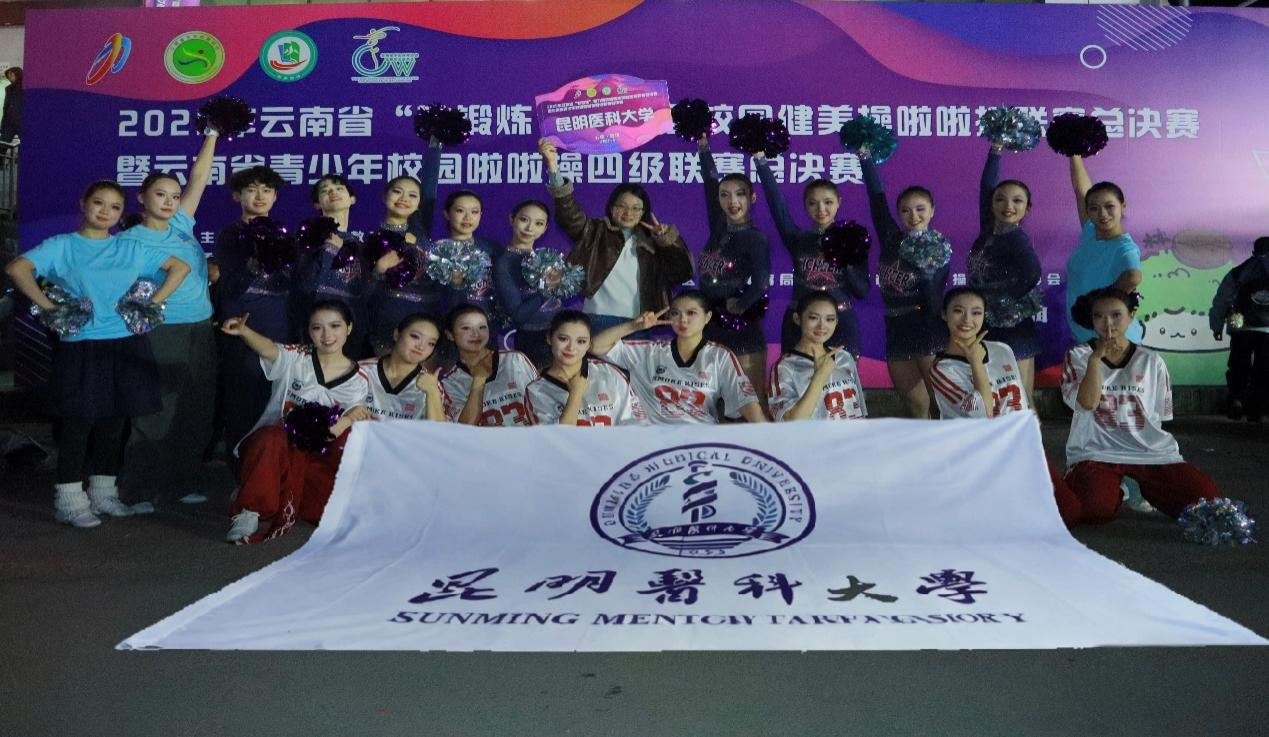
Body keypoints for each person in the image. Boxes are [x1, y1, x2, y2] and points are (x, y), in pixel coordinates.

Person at [5, 180, 192, 527]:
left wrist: (151, 303)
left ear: (122, 214)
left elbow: (180, 267)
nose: (106, 212)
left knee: (114, 422)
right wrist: (49, 307)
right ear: (84, 204)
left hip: (126, 343)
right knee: (78, 424)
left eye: (115, 207)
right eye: (99, 203)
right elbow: (17, 268)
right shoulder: (62, 245)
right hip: (82, 345)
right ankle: (69, 500)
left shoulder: (129, 246)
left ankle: (103, 494)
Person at [117, 131, 220, 506]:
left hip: (200, 327)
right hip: (162, 329)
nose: (170, 202)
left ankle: (183, 482)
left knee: (196, 408)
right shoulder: (131, 240)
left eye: (175, 196)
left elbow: (200, 177)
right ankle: (139, 488)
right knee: (157, 410)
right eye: (160, 195)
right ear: (142, 197)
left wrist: (213, 133)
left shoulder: (180, 224)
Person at [1060, 288, 1220, 524]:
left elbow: (1158, 417)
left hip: (1147, 452)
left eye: (1116, 315)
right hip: (1096, 452)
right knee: (1094, 509)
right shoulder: (1078, 355)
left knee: (1207, 499)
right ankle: (1118, 487)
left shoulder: (1151, 360)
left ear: (1131, 316)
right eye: (1098, 316)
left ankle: (1143, 485)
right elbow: (1088, 403)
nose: (1108, 323)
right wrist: (1095, 360)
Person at [221, 300, 373, 543]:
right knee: (271, 437)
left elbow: (336, 433)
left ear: (349, 328)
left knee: (327, 509)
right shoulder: (297, 357)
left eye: (335, 326)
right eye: (317, 328)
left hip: (317, 453)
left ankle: (263, 486)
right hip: (276, 446)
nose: (327, 335)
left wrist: (346, 420)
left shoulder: (359, 380)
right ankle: (249, 509)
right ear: (309, 331)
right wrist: (244, 331)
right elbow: (270, 350)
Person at [932, 287, 1081, 525]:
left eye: (976, 312)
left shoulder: (1002, 350)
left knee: (1071, 512)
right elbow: (983, 414)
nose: (967, 320)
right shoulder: (943, 369)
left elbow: (1021, 400)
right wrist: (975, 362)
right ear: (944, 314)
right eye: (958, 311)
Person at [538, 137, 693, 334]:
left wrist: (667, 240)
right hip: (597, 320)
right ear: (611, 208)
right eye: (622, 206)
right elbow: (569, 212)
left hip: (639, 323)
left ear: (644, 212)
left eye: (636, 208)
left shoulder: (654, 243)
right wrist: (553, 166)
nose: (629, 213)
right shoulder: (594, 232)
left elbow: (684, 272)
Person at [212, 165, 292, 475]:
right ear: (237, 196)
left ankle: (271, 476)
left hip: (280, 329)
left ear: (275, 197)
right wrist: (259, 256)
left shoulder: (284, 234)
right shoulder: (230, 234)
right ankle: (242, 477)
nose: (260, 196)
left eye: (267, 190)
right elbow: (231, 283)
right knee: (244, 405)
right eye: (252, 190)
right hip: (244, 327)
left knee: (277, 405)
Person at [753, 151, 870, 356]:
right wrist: (761, 161)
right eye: (813, 203)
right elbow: (777, 206)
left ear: (839, 202)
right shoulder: (797, 239)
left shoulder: (853, 241)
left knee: (840, 377)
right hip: (799, 323)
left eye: (828, 202)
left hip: (840, 322)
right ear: (805, 205)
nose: (821, 209)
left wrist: (846, 259)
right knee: (795, 376)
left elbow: (862, 291)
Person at [860, 146, 948, 418]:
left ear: (932, 211)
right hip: (896, 327)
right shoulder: (892, 239)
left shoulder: (938, 249)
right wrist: (865, 156)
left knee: (942, 404)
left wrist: (926, 271)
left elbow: (934, 301)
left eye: (920, 209)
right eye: (906, 210)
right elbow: (877, 199)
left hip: (927, 327)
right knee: (915, 405)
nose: (914, 216)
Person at [589, 290, 767, 424]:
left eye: (691, 313)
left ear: (707, 317)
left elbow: (748, 405)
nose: (683, 320)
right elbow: (595, 346)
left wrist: (770, 440)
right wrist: (634, 326)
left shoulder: (720, 356)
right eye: (676, 313)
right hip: (653, 442)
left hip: (699, 442)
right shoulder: (649, 352)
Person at [695, 136, 772, 408]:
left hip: (742, 332)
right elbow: (710, 182)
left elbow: (761, 283)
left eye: (740, 194)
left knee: (750, 404)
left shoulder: (755, 239)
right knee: (713, 404)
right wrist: (703, 147)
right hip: (708, 327)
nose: (732, 201)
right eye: (725, 195)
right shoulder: (718, 228)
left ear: (752, 198)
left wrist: (739, 306)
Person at [967, 143, 1043, 397]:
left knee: (1020, 398)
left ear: (1027, 208)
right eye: (1000, 199)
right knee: (992, 395)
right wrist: (995, 149)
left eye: (1017, 200)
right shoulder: (988, 231)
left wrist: (1000, 300)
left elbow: (1032, 274)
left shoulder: (1018, 239)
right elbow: (986, 186)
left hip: (1014, 326)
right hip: (986, 324)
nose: (1007, 205)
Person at [1063, 155, 1143, 345]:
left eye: (1109, 206)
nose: (1103, 214)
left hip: (1112, 340)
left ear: (1123, 206)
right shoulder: (1091, 232)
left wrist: (1097, 304)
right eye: (1094, 208)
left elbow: (1133, 277)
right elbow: (1081, 191)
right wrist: (1074, 153)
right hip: (1085, 338)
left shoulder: (1124, 247)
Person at [367, 175, 446, 356]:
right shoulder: (371, 240)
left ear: (419, 204)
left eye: (412, 195)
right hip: (389, 315)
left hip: (429, 315)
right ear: (384, 196)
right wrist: (378, 271)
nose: (404, 198)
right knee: (389, 369)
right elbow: (362, 290)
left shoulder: (422, 234)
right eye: (397, 191)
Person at [525, 310, 646, 426]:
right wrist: (575, 394)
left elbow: (636, 423)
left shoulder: (609, 373)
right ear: (549, 338)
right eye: (563, 339)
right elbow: (557, 437)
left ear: (589, 344)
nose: (571, 348)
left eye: (581, 341)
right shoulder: (536, 391)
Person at [768, 292, 867, 421]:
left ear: (836, 322)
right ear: (797, 318)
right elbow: (791, 421)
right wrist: (820, 376)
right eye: (813, 318)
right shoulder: (785, 367)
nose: (822, 326)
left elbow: (861, 411)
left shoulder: (844, 357)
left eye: (830, 319)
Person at [492, 199, 565, 369]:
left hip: (560, 333)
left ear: (545, 228)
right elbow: (518, 315)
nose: (530, 228)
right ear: (512, 219)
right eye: (524, 220)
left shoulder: (547, 258)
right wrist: (547, 290)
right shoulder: (504, 263)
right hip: (533, 339)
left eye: (538, 223)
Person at [439, 304, 538, 426]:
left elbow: (543, 404)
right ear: (450, 334)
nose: (476, 334)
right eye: (466, 328)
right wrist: (478, 380)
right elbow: (465, 428)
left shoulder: (514, 359)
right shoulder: (450, 383)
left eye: (482, 327)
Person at [1210, 236, 1269, 422]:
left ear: (1253, 251)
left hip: (1240, 326)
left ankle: (1237, 399)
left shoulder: (1238, 272)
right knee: (1263, 368)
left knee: (1239, 365)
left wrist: (1216, 326)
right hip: (1267, 329)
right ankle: (1256, 409)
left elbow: (1222, 300)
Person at [360, 313, 445, 422]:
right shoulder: (361, 371)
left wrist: (432, 393)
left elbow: (439, 430)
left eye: (431, 343)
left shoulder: (431, 384)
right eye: (415, 336)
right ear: (397, 334)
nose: (421, 347)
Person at [0, 66, 20, 144]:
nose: (9, 76)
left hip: (21, 121)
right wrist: (3, 124)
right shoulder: (8, 88)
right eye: (8, 75)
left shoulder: (25, 88)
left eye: (11, 74)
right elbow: (6, 107)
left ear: (18, 74)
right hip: (9, 122)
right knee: (3, 144)